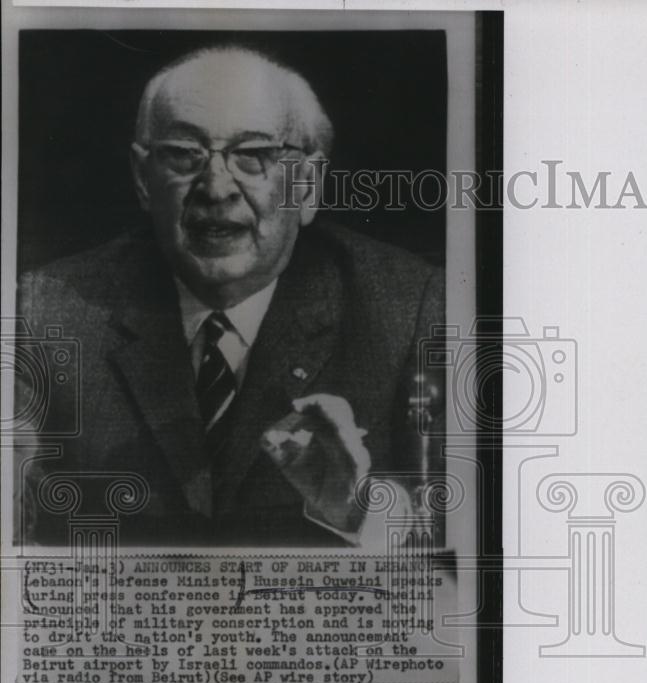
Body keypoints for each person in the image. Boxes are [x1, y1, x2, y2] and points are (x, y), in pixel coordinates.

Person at [16, 44, 444, 546]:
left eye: (254, 156)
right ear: (143, 180)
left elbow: (454, 531)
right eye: (182, 155)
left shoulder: (408, 305)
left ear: (306, 186)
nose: (216, 188)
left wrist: (362, 513)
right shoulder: (46, 313)